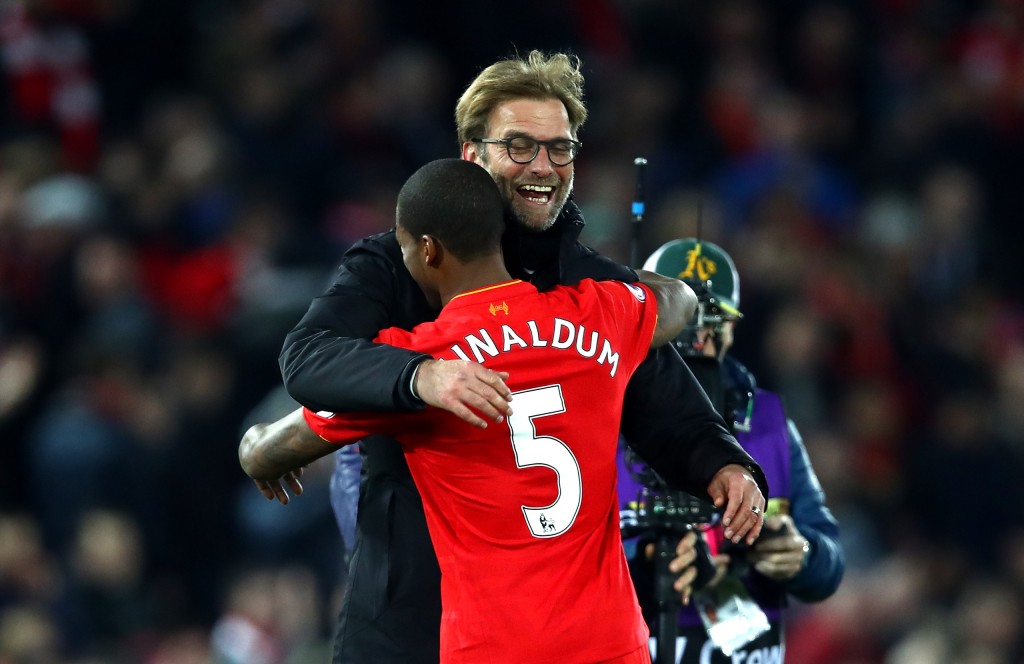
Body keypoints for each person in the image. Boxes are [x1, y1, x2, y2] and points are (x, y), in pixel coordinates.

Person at [274, 50, 769, 664]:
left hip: (555, 632)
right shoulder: (399, 263)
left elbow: (672, 410)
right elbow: (308, 357)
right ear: (471, 153)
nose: (543, 166)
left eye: (560, 149)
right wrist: (422, 376)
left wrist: (725, 464)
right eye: (520, 146)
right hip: (405, 615)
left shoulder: (591, 285)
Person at [242, 156, 705, 663]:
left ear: (428, 250)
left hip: (494, 647)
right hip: (610, 642)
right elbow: (680, 301)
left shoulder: (420, 366)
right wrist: (611, 278)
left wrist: (259, 453)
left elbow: (267, 449)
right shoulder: (596, 314)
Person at [619, 238, 845, 663]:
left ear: (733, 328)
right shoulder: (608, 416)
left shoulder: (769, 423)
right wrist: (644, 565)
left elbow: (829, 562)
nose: (697, 337)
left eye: (712, 319)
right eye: (683, 320)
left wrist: (801, 555)